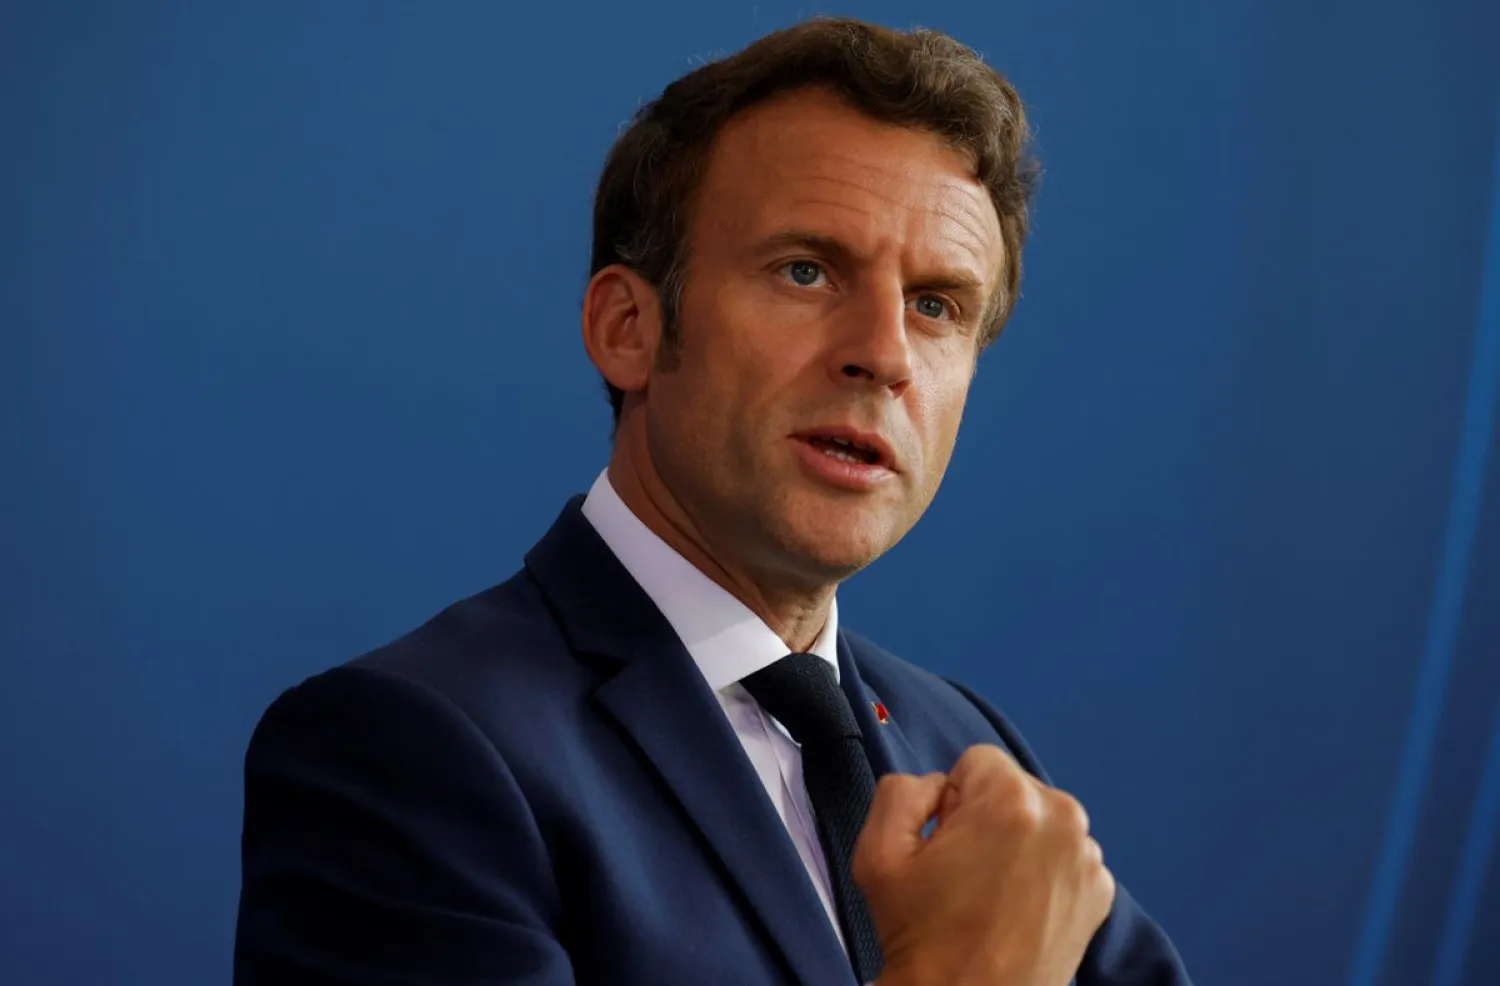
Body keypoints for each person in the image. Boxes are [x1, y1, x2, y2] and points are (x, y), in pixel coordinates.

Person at [233, 16, 1191, 986]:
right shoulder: (409, 747)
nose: (886, 353)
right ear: (627, 328)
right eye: (806, 270)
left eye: (937, 305)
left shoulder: (975, 753)